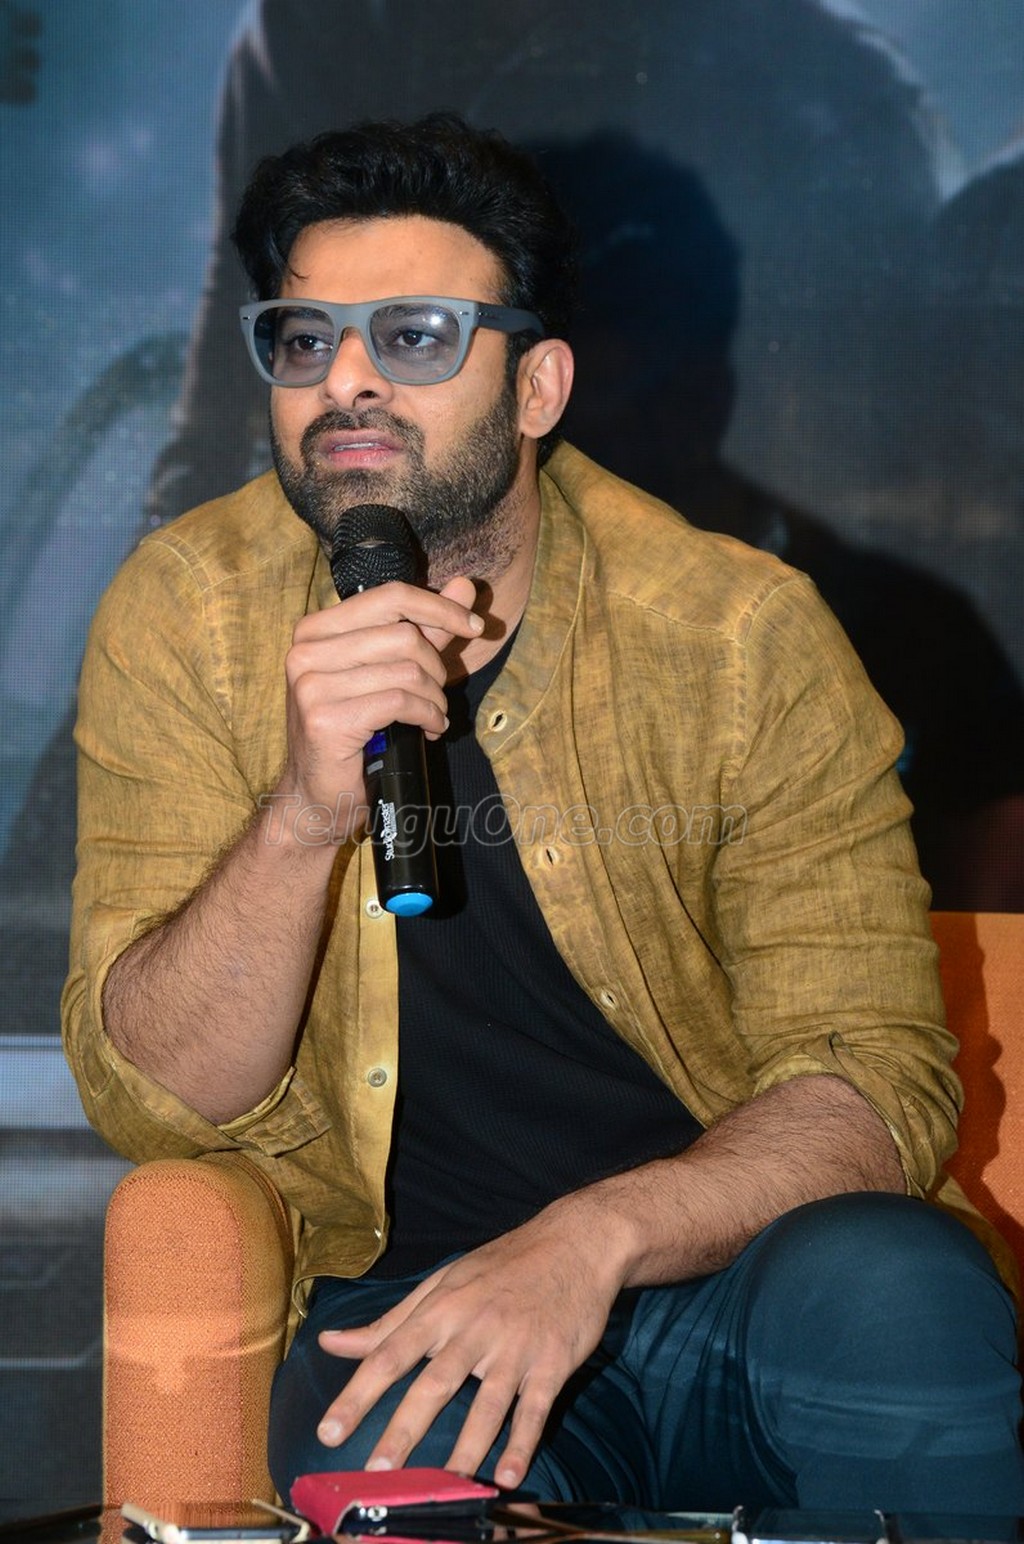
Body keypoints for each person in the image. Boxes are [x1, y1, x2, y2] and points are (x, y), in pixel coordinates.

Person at [62, 114, 1024, 1516]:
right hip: (413, 1299)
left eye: (414, 337)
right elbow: (157, 1093)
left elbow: (875, 1079)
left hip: (729, 1278)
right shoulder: (190, 615)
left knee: (897, 1292)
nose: (345, 383)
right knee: (373, 1440)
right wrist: (301, 817)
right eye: (304, 339)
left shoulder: (736, 634)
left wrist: (590, 1240)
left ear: (538, 386)